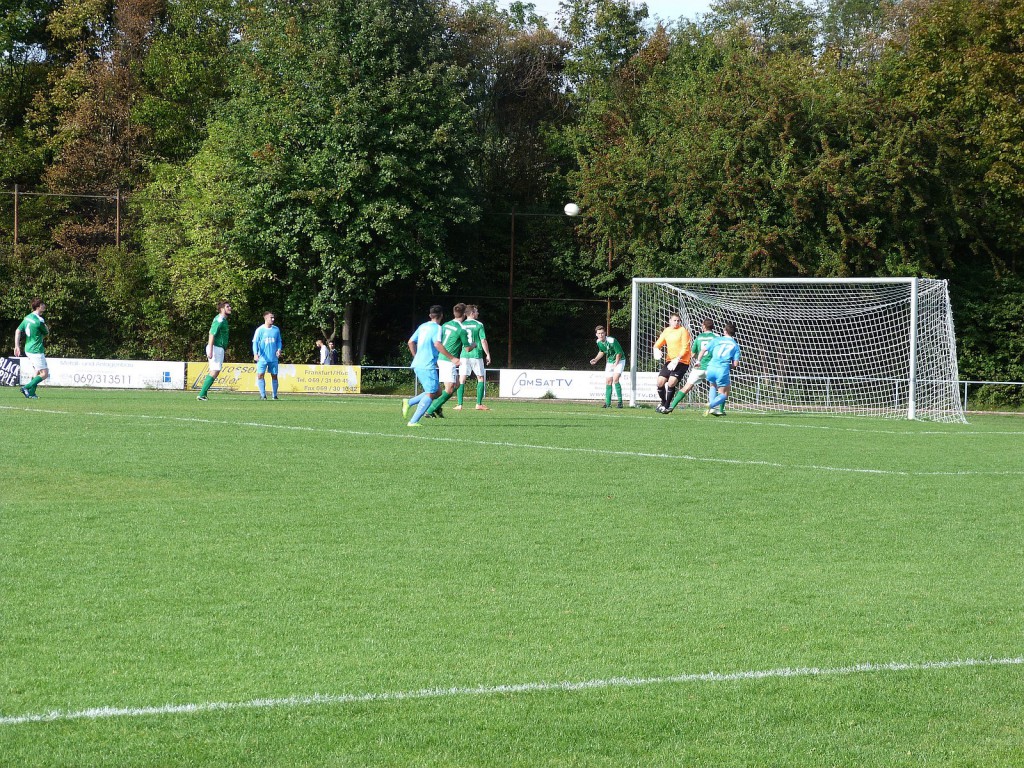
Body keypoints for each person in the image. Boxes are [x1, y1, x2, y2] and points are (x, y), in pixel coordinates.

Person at [402, 305, 459, 426]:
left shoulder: (423, 326)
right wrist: (452, 358)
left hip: (418, 363)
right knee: (431, 393)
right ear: (441, 316)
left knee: (437, 392)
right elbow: (437, 344)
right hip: (427, 365)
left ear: (430, 315)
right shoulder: (438, 328)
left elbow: (410, 341)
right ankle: (413, 421)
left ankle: (409, 402)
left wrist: (416, 356)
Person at [424, 303, 472, 418]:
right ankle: (430, 410)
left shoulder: (446, 324)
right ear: (464, 314)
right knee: (449, 389)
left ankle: (437, 408)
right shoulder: (461, 329)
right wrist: (474, 344)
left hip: (442, 357)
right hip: (448, 360)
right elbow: (467, 348)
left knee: (456, 384)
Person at [665, 319, 717, 413]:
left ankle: (671, 407)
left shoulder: (699, 337)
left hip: (699, 367)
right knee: (714, 386)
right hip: (711, 367)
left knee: (687, 387)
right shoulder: (715, 337)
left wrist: (698, 357)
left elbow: (692, 354)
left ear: (704, 326)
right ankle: (714, 408)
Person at [651, 313, 692, 413]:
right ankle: (664, 402)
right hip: (670, 361)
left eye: (678, 320)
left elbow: (685, 348)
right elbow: (658, 343)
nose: (676, 322)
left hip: (682, 361)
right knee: (660, 382)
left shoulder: (683, 331)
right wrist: (656, 349)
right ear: (670, 321)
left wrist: (678, 358)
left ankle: (667, 406)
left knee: (671, 382)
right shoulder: (667, 331)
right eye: (674, 320)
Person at [456, 304, 492, 411]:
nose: (478, 313)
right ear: (472, 313)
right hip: (476, 354)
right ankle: (478, 404)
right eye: (476, 311)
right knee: (480, 378)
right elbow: (483, 340)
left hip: (464, 354)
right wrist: (488, 354)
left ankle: (459, 404)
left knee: (462, 378)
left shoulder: (461, 324)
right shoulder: (479, 324)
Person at [13, 298, 49, 399]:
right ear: (38, 307)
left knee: (37, 372)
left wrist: (17, 346)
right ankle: (26, 387)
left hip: (28, 348)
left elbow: (18, 331)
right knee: (44, 374)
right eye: (42, 304)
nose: (44, 306)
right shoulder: (39, 320)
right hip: (36, 350)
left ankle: (32, 394)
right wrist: (45, 326)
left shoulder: (27, 317)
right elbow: (47, 333)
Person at [705, 321, 741, 417]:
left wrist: (698, 361)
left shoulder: (718, 340)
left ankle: (712, 408)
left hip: (711, 366)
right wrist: (729, 367)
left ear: (725, 331)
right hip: (722, 368)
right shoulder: (735, 345)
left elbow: (704, 350)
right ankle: (711, 405)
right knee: (724, 394)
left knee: (712, 385)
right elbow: (735, 364)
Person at [197, 301, 231, 400]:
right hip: (215, 347)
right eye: (227, 307)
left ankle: (203, 394)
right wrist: (210, 349)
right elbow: (212, 333)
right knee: (214, 370)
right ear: (222, 309)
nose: (230, 308)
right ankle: (202, 394)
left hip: (218, 348)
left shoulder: (223, 320)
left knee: (215, 371)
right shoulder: (219, 319)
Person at [590, 325, 625, 408]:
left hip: (620, 360)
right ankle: (607, 403)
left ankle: (620, 402)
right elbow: (602, 351)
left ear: (605, 333)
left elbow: (619, 353)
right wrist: (596, 359)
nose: (601, 335)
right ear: (596, 334)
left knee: (615, 379)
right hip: (610, 361)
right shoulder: (598, 342)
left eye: (602, 333)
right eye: (599, 333)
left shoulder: (612, 340)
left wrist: (616, 364)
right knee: (608, 381)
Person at [252, 311, 283, 400]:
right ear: (266, 318)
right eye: (271, 318)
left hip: (273, 357)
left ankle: (275, 395)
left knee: (274, 375)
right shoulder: (260, 330)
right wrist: (255, 354)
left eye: (273, 317)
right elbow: (255, 342)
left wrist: (279, 349)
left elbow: (279, 341)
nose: (273, 319)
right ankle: (263, 395)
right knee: (260, 375)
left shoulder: (276, 329)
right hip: (262, 358)